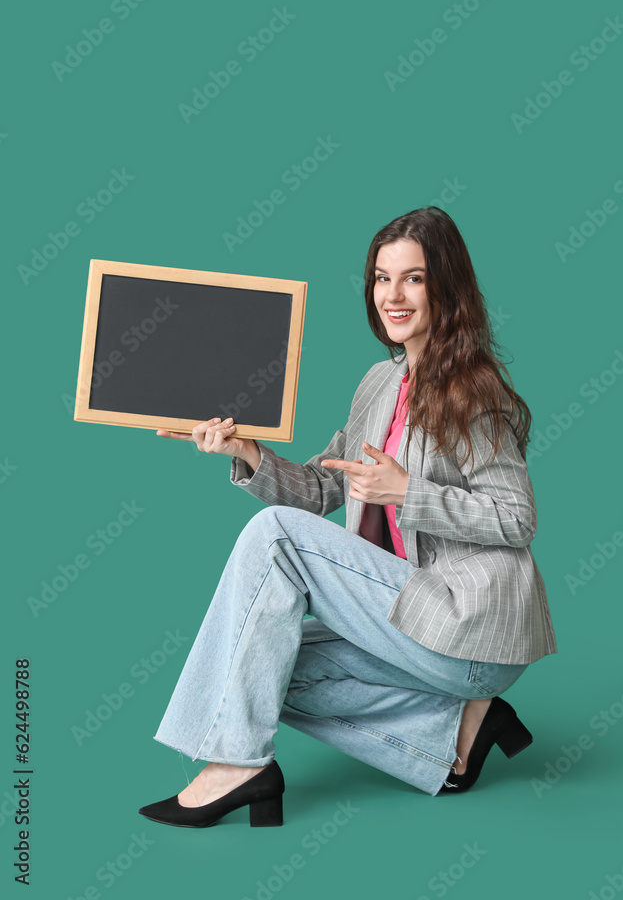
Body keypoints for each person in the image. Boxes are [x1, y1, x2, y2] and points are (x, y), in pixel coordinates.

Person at [138, 206, 557, 829]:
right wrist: (247, 454)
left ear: (445, 287)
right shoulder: (379, 384)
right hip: (403, 621)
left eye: (412, 278)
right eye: (381, 279)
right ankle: (458, 733)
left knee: (274, 539)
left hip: (469, 634)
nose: (393, 295)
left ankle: (235, 765)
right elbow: (317, 489)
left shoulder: (475, 390)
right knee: (257, 664)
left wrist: (406, 492)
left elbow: (516, 518)